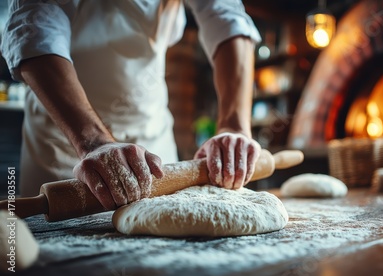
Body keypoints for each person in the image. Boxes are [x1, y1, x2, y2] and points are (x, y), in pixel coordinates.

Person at [1, 0, 262, 210]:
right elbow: (33, 25)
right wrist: (93, 141)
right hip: (64, 141)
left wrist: (235, 126)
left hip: (155, 144)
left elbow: (227, 17)